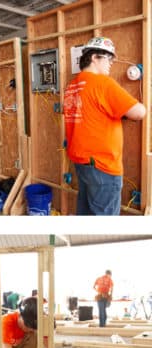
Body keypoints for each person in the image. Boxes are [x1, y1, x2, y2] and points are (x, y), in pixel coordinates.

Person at [64, 37, 146, 215]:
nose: (111, 64)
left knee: (86, 215)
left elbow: (92, 113)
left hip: (82, 162)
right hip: (102, 165)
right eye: (108, 58)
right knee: (104, 224)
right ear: (94, 57)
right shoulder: (102, 83)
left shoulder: (72, 86)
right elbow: (139, 112)